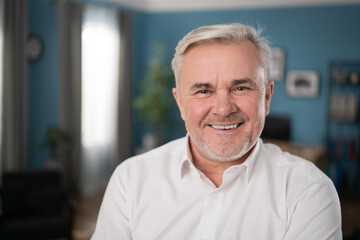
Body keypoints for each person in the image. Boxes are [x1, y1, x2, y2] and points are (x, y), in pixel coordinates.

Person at [91, 23, 342, 240]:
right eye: (203, 91)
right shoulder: (130, 180)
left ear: (266, 97)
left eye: (241, 88)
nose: (223, 109)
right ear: (180, 103)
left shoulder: (309, 190)